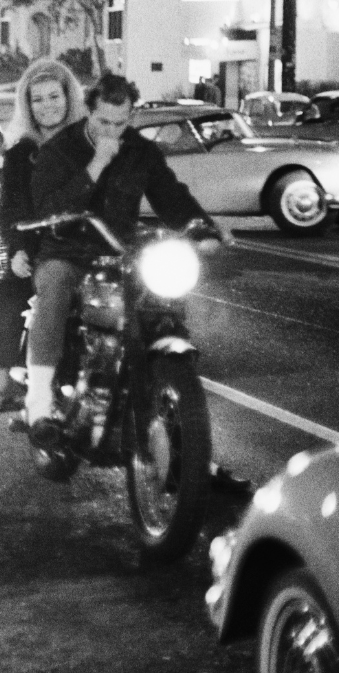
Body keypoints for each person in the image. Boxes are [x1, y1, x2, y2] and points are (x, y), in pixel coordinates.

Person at [23, 73, 234, 446]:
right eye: (103, 121)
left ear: (131, 116)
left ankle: (169, 395)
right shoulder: (59, 150)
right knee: (54, 287)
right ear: (88, 111)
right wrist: (97, 165)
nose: (111, 130)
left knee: (162, 301)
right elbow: (48, 206)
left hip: (120, 249)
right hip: (68, 249)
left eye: (120, 123)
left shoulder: (141, 151)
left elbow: (170, 196)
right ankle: (38, 404)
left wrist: (202, 230)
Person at [0, 58, 86, 419]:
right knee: (8, 295)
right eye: (37, 99)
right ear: (28, 105)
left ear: (69, 97)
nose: (47, 105)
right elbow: (11, 209)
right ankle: (2, 388)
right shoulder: (21, 153)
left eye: (54, 96)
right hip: (42, 248)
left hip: (94, 244)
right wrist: (18, 249)